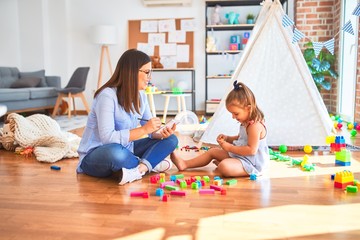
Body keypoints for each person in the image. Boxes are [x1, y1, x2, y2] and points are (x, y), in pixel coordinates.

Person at [77, 49, 178, 185]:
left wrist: (161, 133)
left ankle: (140, 169)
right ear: (131, 72)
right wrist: (144, 130)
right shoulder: (107, 96)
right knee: (117, 154)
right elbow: (107, 138)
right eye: (147, 72)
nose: (150, 77)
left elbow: (151, 131)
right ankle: (151, 163)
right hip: (97, 155)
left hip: (127, 149)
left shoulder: (141, 95)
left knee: (171, 140)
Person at [171, 81, 269, 177]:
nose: (233, 117)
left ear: (249, 108)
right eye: (232, 114)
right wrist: (228, 138)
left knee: (224, 166)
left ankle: (230, 165)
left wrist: (229, 147)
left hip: (252, 163)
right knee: (212, 151)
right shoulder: (245, 122)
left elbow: (251, 150)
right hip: (241, 156)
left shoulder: (254, 126)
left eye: (236, 113)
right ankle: (185, 164)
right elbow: (241, 138)